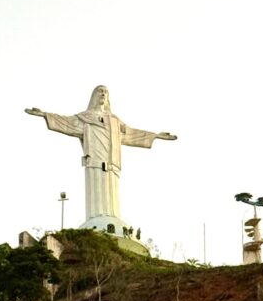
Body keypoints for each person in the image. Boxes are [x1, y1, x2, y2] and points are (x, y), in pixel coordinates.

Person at [25, 85, 176, 229]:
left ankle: (111, 218)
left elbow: (131, 133)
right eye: (100, 91)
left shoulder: (114, 121)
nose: (103, 94)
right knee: (96, 185)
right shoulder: (85, 118)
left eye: (105, 92)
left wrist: (155, 136)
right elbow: (65, 123)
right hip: (94, 159)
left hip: (111, 162)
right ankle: (96, 220)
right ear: (94, 96)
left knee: (111, 185)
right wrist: (45, 115)